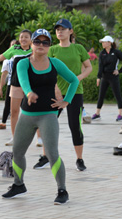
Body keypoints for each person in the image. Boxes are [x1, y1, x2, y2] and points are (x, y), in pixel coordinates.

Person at [1, 29, 79, 205]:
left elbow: (74, 80)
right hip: (27, 116)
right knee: (18, 152)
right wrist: (28, 93)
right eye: (38, 42)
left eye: (45, 42)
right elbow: (23, 81)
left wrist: (66, 101)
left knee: (52, 153)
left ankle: (62, 190)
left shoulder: (55, 63)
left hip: (48, 115)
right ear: (32, 44)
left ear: (49, 45)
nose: (41, 45)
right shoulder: (23, 63)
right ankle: (18, 185)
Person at [34, 18, 92, 171]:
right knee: (48, 125)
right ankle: (45, 157)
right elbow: (47, 69)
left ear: (70, 31)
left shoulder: (78, 48)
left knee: (75, 126)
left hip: (75, 93)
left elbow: (89, 67)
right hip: (54, 93)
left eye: (63, 29)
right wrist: (55, 87)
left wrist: (77, 79)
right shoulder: (52, 49)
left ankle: (79, 159)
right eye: (58, 29)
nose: (60, 31)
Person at [0, 30, 33, 144]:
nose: (23, 39)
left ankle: (39, 138)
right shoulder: (14, 49)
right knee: (14, 111)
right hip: (16, 84)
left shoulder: (35, 50)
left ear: (31, 39)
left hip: (31, 85)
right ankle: (15, 137)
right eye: (21, 37)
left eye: (26, 37)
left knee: (33, 111)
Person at [91, 35, 122, 121]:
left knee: (117, 94)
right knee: (101, 95)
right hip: (105, 77)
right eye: (102, 42)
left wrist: (119, 71)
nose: (103, 44)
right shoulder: (102, 53)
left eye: (104, 42)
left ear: (109, 43)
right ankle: (97, 113)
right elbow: (100, 66)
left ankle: (120, 114)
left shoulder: (116, 52)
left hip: (113, 77)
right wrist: (98, 77)